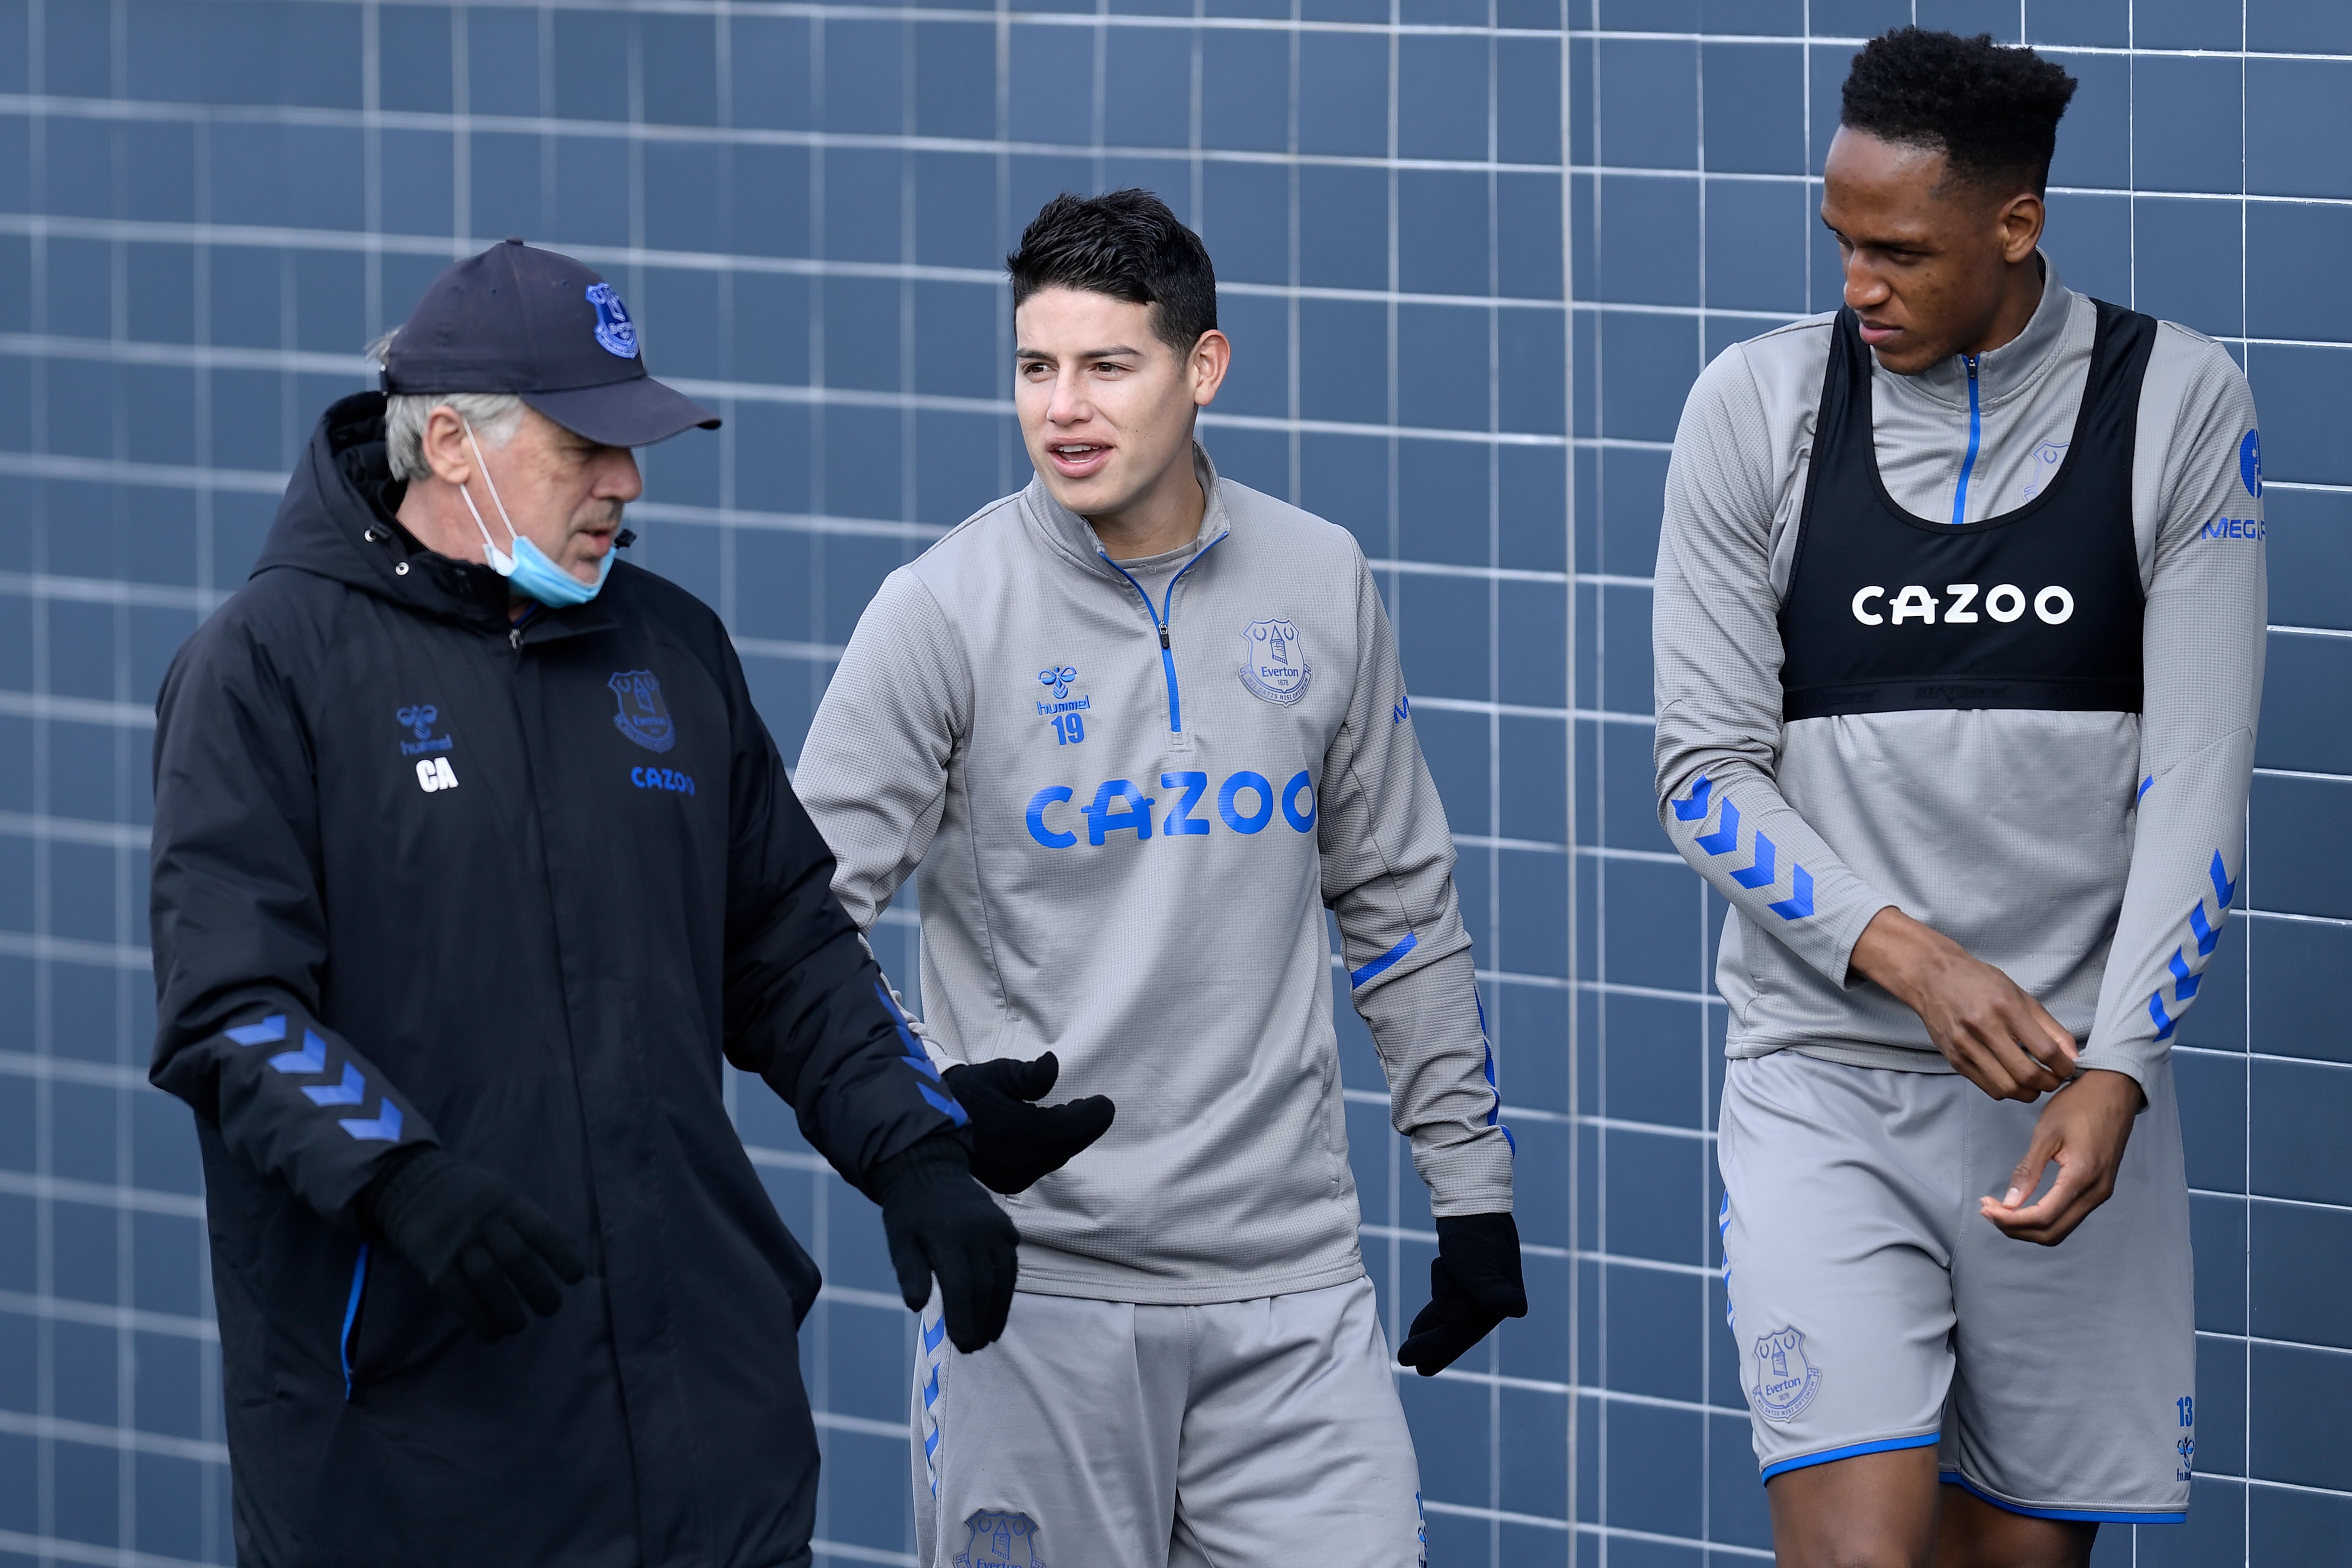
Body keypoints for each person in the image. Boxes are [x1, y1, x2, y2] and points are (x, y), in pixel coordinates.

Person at [148, 239, 1026, 1568]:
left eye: (635, 444)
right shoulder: (265, 668)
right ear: (450, 441)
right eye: (585, 446)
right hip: (418, 1447)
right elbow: (230, 1006)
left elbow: (785, 941)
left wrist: (910, 1142)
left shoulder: (671, 649)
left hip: (709, 1435)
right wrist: (401, 1175)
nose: (625, 481)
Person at [791, 189, 1525, 1568]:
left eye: (1106, 365)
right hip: (1038, 1294)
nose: (1062, 408)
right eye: (1034, 366)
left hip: (1293, 1292)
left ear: (1203, 368)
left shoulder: (1321, 578)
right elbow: (794, 929)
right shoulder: (941, 611)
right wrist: (913, 1128)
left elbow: (1400, 913)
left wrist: (1471, 1190)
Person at [1653, 29, 2264, 1568]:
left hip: (2063, 1102)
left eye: (1900, 251)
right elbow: (1705, 776)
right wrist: (1916, 960)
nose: (1860, 285)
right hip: (1822, 1081)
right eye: (1842, 242)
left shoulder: (2177, 401)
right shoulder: (1756, 409)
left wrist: (2116, 1068)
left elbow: (2197, 777)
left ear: (2017, 224)